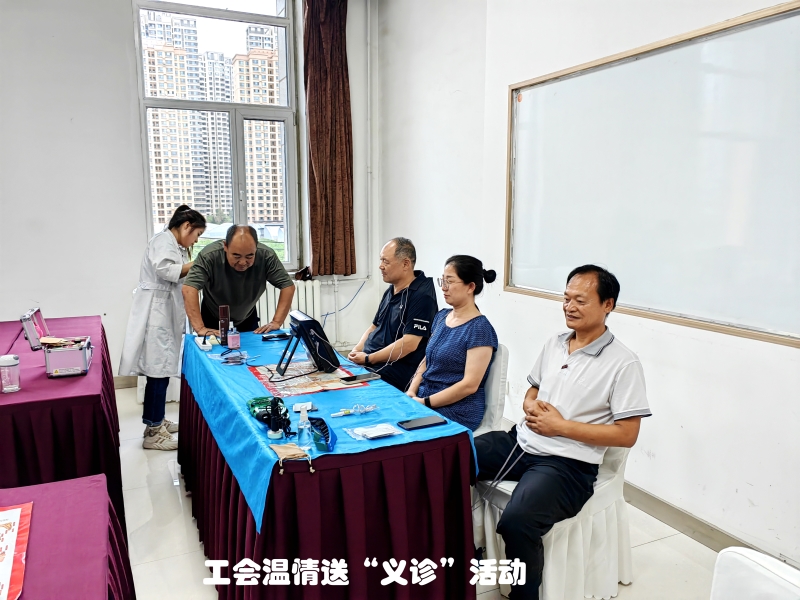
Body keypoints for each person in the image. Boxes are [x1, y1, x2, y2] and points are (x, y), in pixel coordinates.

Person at [474, 265, 652, 599]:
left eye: (580, 300)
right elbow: (533, 390)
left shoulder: (623, 363)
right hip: (520, 442)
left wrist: (561, 428)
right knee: (449, 458)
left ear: (608, 305)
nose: (569, 307)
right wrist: (529, 404)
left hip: (567, 465)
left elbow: (627, 434)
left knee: (517, 521)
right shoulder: (555, 344)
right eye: (567, 298)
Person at [119, 205, 207, 451]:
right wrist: (201, 262)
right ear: (186, 226)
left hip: (165, 311)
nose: (195, 240)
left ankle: (156, 421)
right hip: (156, 314)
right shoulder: (162, 241)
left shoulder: (174, 245)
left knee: (162, 371)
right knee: (157, 372)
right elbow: (167, 271)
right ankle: (153, 432)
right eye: (197, 234)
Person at [406, 255, 498, 431]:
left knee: (403, 434)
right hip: (425, 398)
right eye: (443, 280)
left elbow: (469, 385)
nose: (443, 287)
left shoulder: (480, 329)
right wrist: (412, 390)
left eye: (449, 281)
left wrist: (425, 402)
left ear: (470, 287)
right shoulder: (441, 316)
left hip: (457, 409)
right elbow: (427, 359)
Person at [348, 238, 438, 391]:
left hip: (393, 370)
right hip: (371, 361)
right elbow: (374, 326)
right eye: (381, 260)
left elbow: (409, 344)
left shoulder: (422, 296)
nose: (380, 266)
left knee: (349, 390)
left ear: (405, 264)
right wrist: (356, 351)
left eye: (386, 261)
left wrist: (368, 359)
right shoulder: (392, 289)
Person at [182, 225, 295, 335]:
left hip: (247, 316)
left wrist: (276, 322)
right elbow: (189, 289)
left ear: (256, 247)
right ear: (225, 246)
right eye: (236, 256)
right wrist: (200, 328)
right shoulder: (209, 256)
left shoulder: (266, 256)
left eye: (249, 256)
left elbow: (288, 286)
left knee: (251, 347)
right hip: (212, 316)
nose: (242, 262)